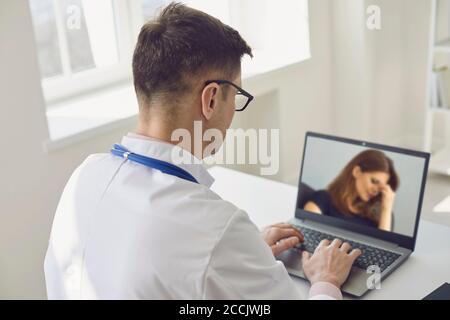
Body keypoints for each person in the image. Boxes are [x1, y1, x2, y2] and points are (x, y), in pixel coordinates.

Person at [44, 2, 361, 300]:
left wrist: (243, 258)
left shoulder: (84, 175)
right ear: (210, 99)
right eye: (236, 95)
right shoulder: (216, 228)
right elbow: (198, 246)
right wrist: (325, 280)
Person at [304, 149, 399, 231]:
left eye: (380, 188)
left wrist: (386, 209)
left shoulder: (374, 217)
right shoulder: (324, 198)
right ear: (357, 171)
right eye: (374, 181)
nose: (375, 191)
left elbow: (384, 249)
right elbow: (308, 231)